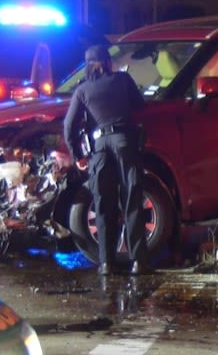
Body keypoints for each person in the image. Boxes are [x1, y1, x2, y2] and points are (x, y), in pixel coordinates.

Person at [63, 45, 152, 276]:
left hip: (100, 149)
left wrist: (78, 156)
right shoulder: (123, 80)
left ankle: (106, 263)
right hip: (124, 142)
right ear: (108, 61)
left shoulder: (82, 90)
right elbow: (140, 106)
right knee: (132, 200)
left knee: (103, 204)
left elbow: (68, 126)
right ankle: (139, 262)